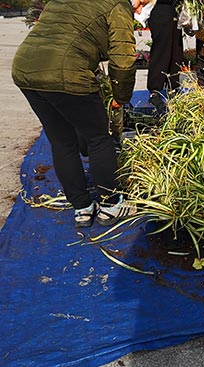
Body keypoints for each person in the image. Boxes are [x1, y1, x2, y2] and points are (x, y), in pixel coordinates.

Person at [12, 0, 140, 228]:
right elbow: (123, 60)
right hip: (66, 74)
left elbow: (66, 32)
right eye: (141, 2)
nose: (139, 8)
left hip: (26, 70)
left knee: (61, 141)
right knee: (99, 139)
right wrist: (120, 97)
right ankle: (111, 205)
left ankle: (82, 207)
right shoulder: (118, 5)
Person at [146, 0, 185, 109]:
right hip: (160, 8)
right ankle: (155, 91)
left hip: (174, 9)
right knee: (161, 50)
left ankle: (173, 86)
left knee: (176, 50)